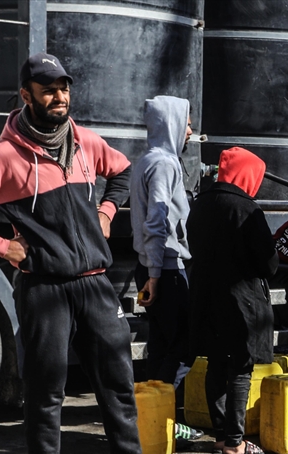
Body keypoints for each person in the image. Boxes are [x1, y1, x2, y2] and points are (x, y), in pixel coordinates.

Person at [0, 53, 176, 454]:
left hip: (95, 282)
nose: (59, 96)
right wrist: (1, 247)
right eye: (48, 89)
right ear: (26, 96)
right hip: (45, 287)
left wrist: (105, 212)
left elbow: (123, 172)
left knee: (118, 381)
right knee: (47, 386)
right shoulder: (0, 157)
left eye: (63, 87)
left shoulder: (84, 142)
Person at [186, 146, 279, 454]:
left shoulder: (200, 204)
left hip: (204, 295)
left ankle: (220, 435)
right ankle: (235, 442)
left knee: (216, 363)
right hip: (242, 300)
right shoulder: (246, 209)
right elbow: (268, 263)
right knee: (240, 367)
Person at [130, 95, 194, 390]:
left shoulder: (145, 160)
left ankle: (153, 418)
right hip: (165, 269)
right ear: (172, 125)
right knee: (184, 344)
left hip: (151, 266)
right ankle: (168, 412)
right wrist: (155, 274)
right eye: (187, 125)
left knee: (160, 344)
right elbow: (156, 220)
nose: (190, 133)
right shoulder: (165, 164)